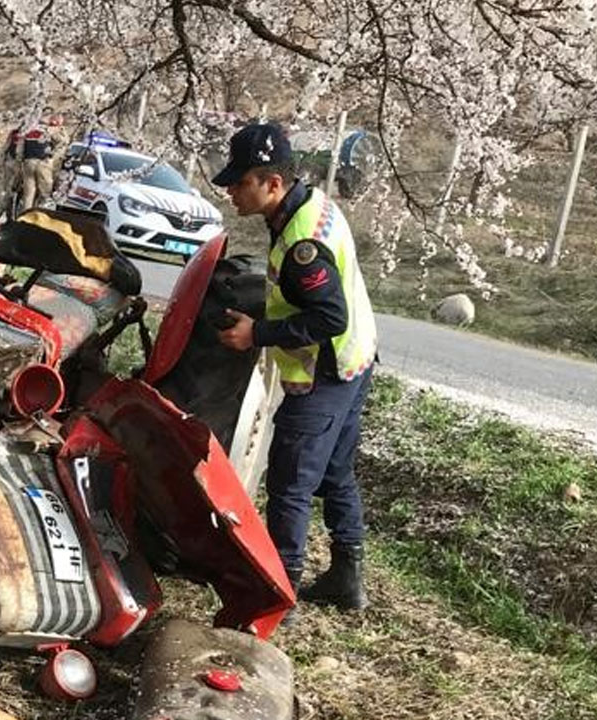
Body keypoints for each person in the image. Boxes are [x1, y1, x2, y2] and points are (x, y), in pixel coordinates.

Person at [213, 122, 378, 623]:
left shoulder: (303, 241)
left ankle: (280, 594)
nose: (230, 191)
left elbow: (330, 317)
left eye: (240, 183)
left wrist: (257, 334)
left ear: (272, 183)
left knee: (290, 484)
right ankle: (347, 577)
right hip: (357, 361)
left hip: (326, 374)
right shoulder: (309, 208)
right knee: (334, 472)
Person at [18, 107, 63, 211]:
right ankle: (41, 216)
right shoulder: (49, 129)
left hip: (28, 162)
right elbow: (61, 143)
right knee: (45, 193)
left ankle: (25, 216)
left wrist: (20, 159)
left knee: (28, 194)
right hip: (43, 162)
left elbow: (20, 148)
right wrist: (53, 156)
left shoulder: (28, 129)